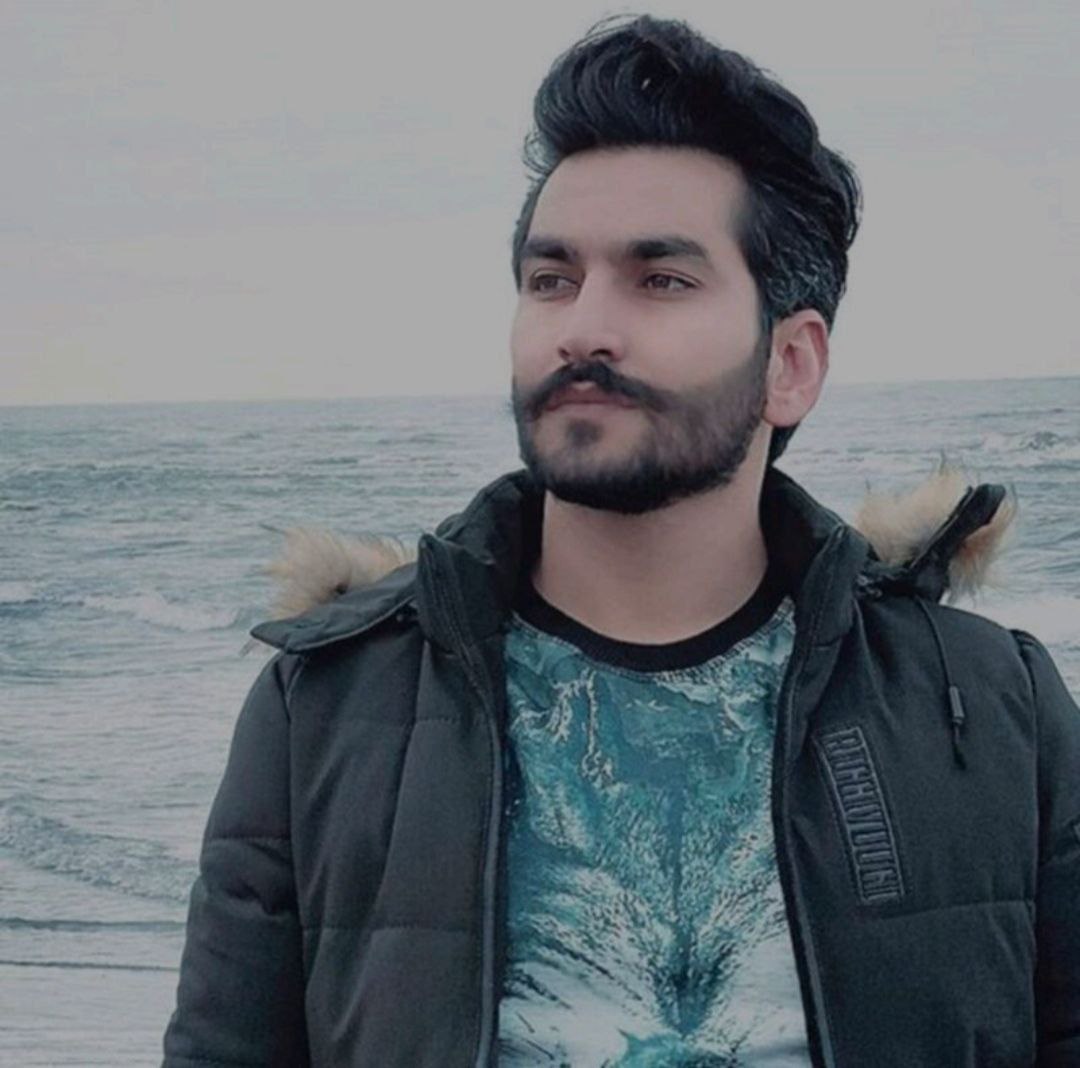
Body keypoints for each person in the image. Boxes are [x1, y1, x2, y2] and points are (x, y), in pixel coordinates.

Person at [162, 14, 1080, 1068]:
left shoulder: (992, 707)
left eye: (661, 279)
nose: (582, 328)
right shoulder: (326, 708)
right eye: (552, 279)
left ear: (791, 364)